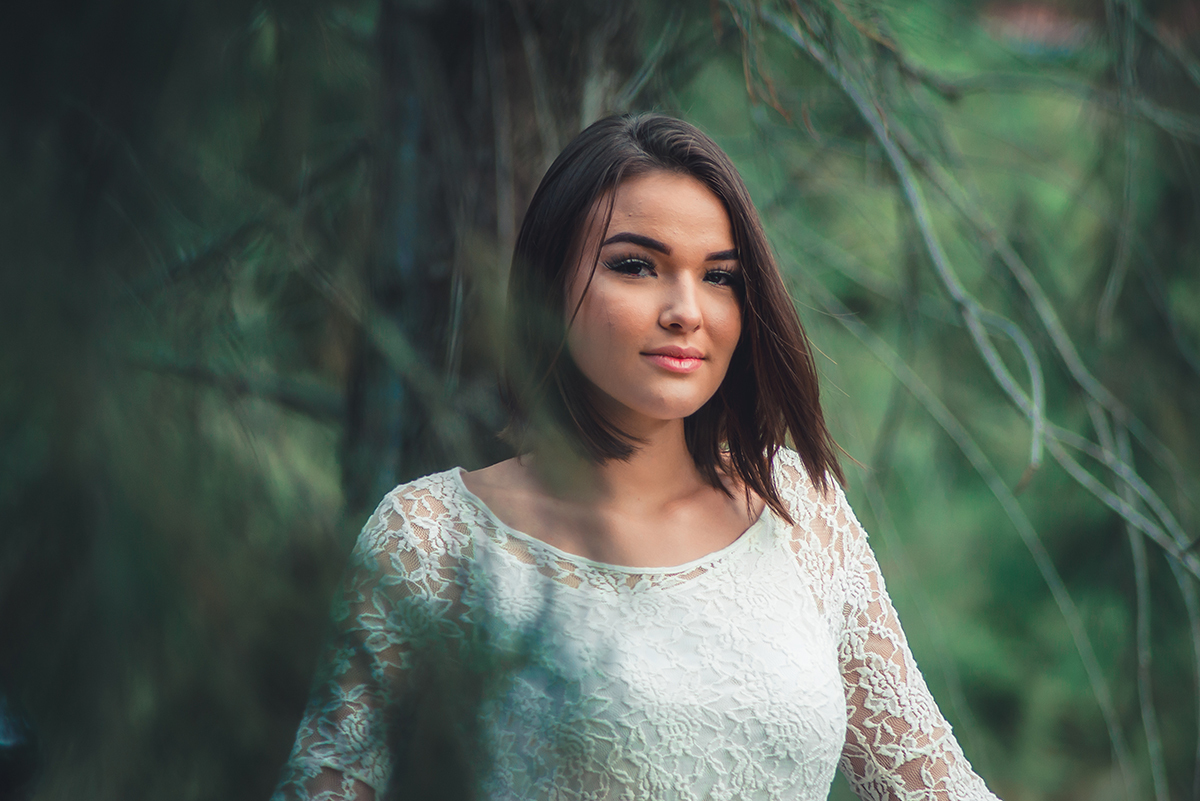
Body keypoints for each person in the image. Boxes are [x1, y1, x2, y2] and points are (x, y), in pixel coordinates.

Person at [272, 113, 1002, 801]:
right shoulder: (431, 537)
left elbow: (936, 786)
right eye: (636, 265)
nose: (687, 308)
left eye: (719, 276)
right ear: (548, 288)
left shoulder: (799, 506)